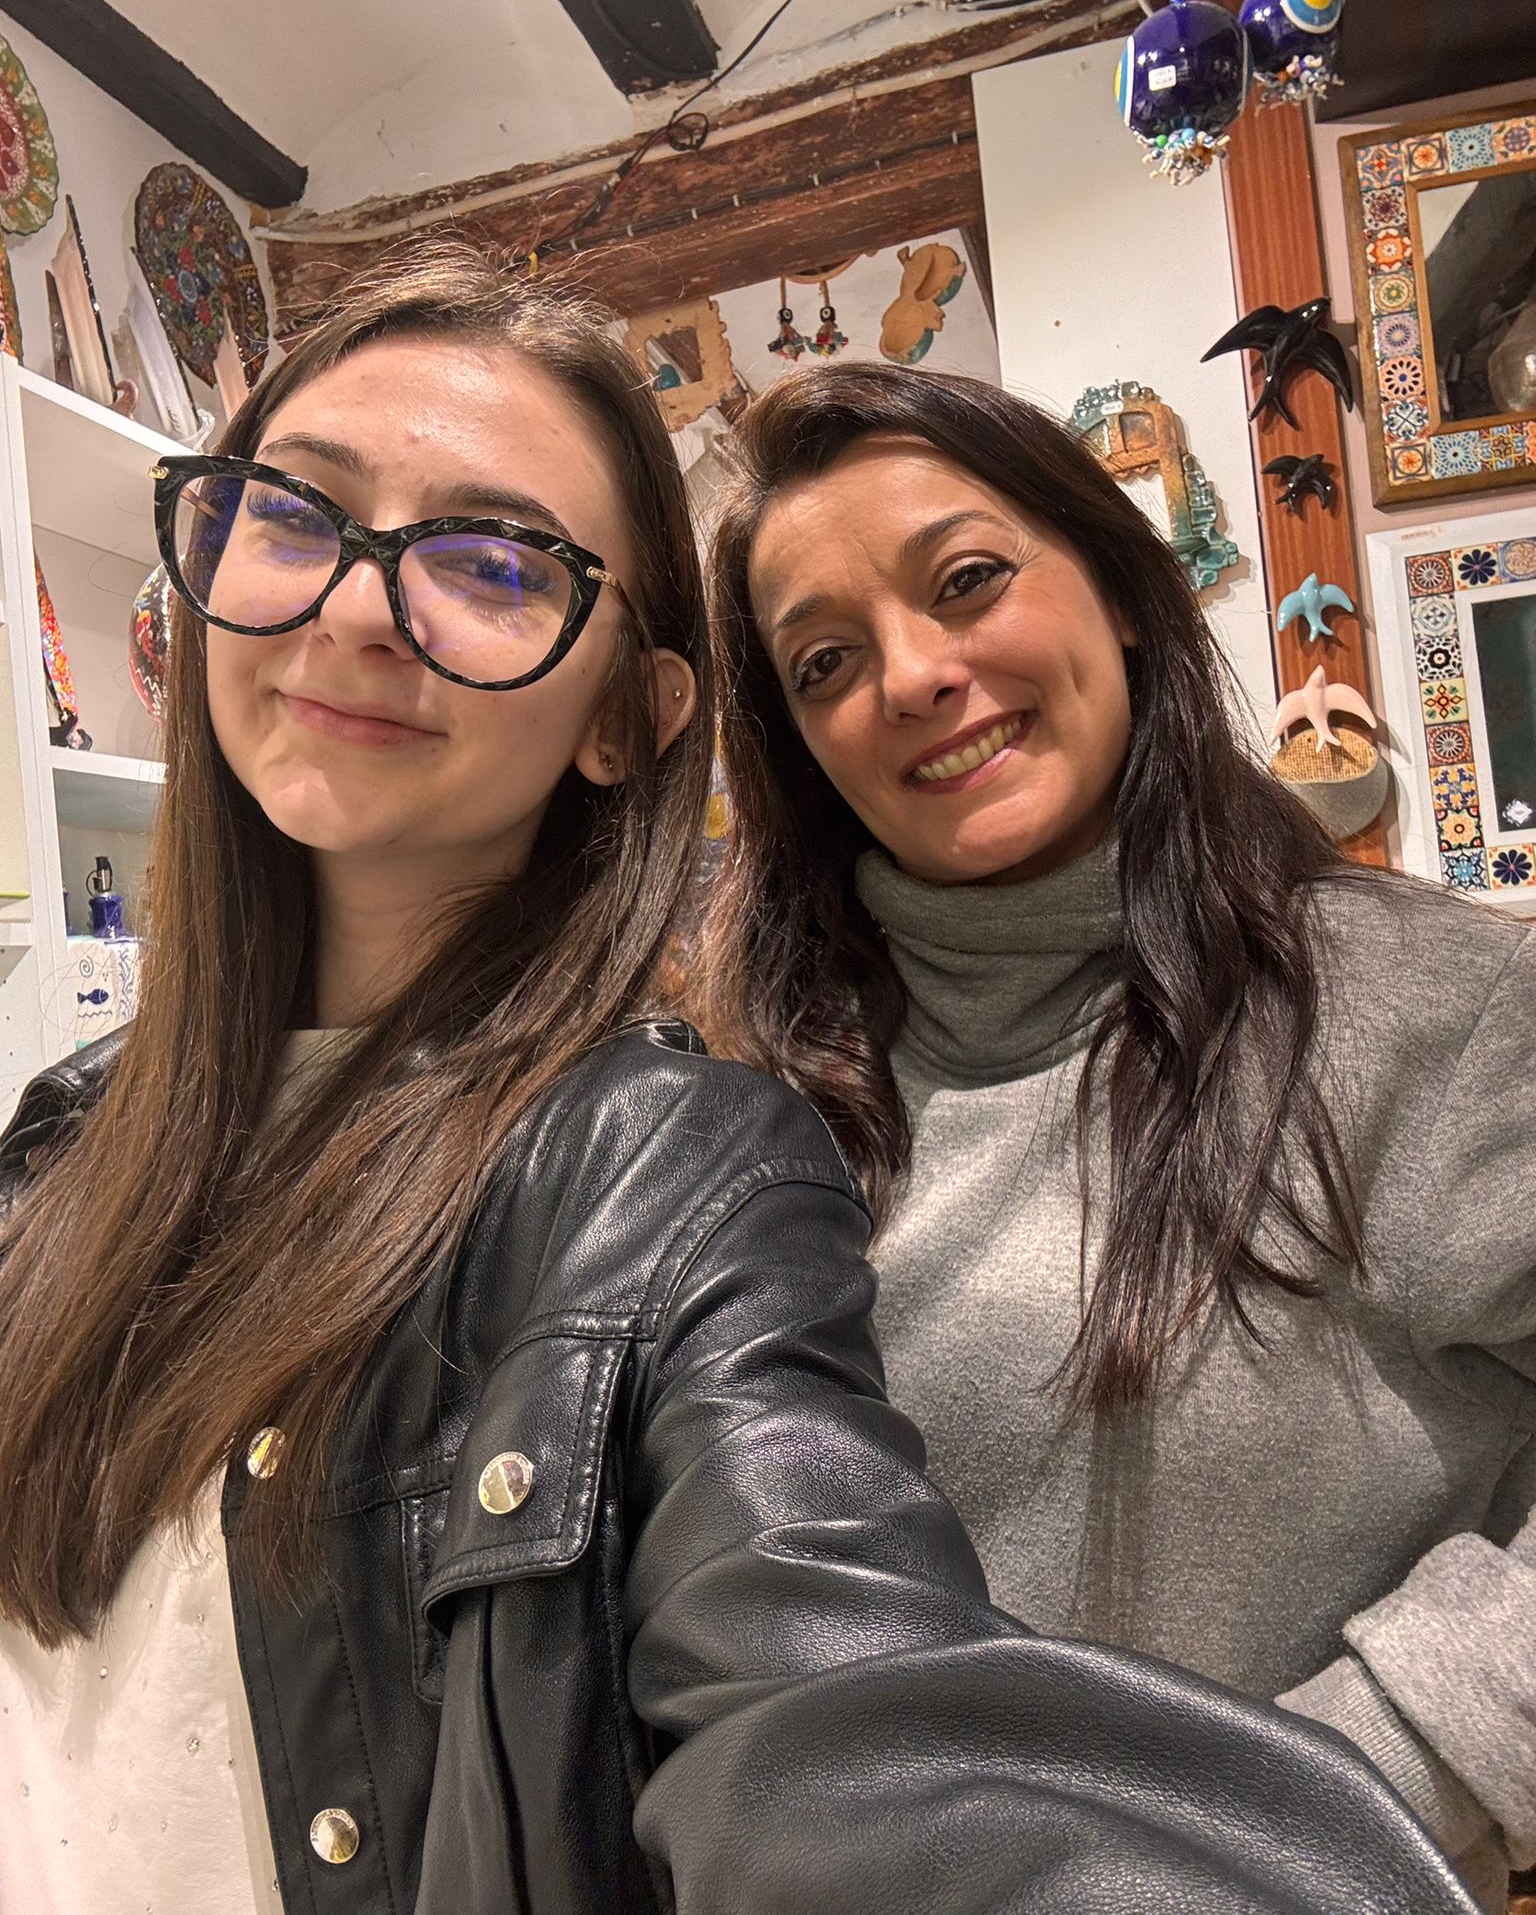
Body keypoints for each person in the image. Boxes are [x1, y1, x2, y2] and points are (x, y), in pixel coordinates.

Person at [0, 247, 1478, 1915]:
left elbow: (829, 1715)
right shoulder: (62, 1142)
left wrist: (1382, 1764)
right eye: (294, 514)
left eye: (491, 561)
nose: (354, 606)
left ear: (628, 720)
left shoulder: (674, 1165)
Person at [701, 359, 1535, 1914]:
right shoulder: (761, 1107)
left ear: (1122, 589)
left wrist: (1335, 1789)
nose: (912, 675)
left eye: (967, 581)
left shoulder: (1434, 1009)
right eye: (823, 662)